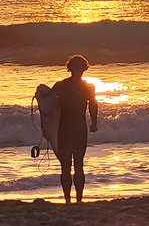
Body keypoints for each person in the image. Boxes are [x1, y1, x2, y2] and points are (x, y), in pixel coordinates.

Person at [52, 54, 98, 203]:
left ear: (69, 68)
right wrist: (94, 123)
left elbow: (48, 104)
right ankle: (78, 200)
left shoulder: (60, 85)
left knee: (66, 166)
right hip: (78, 128)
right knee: (78, 164)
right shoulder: (88, 87)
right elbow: (93, 105)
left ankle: (68, 200)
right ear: (84, 69)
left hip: (64, 128)